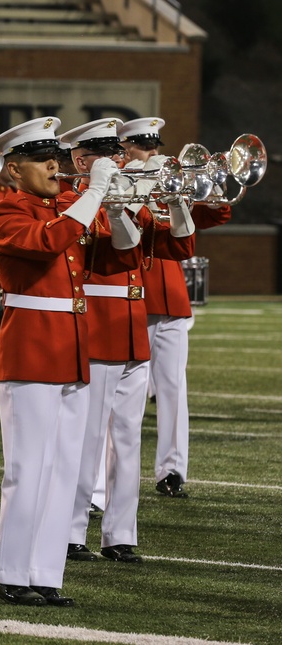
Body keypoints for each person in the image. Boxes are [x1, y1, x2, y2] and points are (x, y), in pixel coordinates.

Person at [0, 116, 138, 607]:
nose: (55, 165)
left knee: (64, 468)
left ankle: (45, 573)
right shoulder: (8, 213)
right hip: (31, 348)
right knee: (29, 467)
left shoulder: (68, 206)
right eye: (40, 159)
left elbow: (124, 253)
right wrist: (94, 190)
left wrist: (120, 201)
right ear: (13, 169)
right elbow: (50, 241)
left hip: (72, 348)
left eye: (56, 156)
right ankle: (8, 570)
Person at [57, 119, 194, 566]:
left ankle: (120, 534)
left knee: (128, 437)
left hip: (134, 327)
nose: (120, 160)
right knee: (88, 436)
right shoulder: (72, 199)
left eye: (119, 153)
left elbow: (180, 245)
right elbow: (118, 243)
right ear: (80, 160)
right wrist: (116, 204)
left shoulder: (128, 195)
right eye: (107, 154)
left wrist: (174, 201)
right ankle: (73, 530)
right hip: (99, 325)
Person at [120, 117, 232, 499]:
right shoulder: (119, 183)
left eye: (155, 146)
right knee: (124, 397)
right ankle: (108, 482)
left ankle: (172, 471)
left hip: (171, 301)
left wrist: (212, 181)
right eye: (143, 147)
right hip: (130, 298)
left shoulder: (168, 179)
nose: (153, 153)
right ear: (124, 149)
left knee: (172, 388)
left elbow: (215, 214)